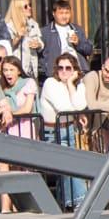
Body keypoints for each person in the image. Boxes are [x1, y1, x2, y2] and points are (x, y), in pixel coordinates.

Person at [40, 53, 88, 209]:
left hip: (68, 128)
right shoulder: (50, 83)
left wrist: (70, 85)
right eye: (60, 68)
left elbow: (80, 106)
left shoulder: (78, 85)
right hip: (53, 131)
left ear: (74, 70)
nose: (64, 71)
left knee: (68, 168)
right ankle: (81, 201)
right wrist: (76, 110)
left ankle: (66, 203)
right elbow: (65, 108)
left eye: (68, 68)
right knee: (69, 166)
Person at [40, 0, 94, 79]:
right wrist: (47, 69)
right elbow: (40, 53)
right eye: (61, 13)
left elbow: (89, 50)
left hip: (78, 71)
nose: (64, 16)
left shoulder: (77, 29)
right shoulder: (46, 32)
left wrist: (78, 43)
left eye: (67, 13)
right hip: (57, 73)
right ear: (54, 13)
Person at [0, 55, 38, 140]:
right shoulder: (1, 88)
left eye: (11, 70)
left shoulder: (28, 82)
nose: (8, 73)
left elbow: (27, 109)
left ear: (19, 71)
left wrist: (9, 115)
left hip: (25, 127)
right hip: (7, 128)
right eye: (5, 70)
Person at [4, 0, 44, 79]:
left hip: (32, 69)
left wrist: (38, 44)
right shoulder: (8, 25)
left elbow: (41, 43)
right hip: (16, 69)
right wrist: (18, 37)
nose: (30, 8)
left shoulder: (33, 24)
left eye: (29, 5)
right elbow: (7, 48)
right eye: (26, 6)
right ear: (18, 9)